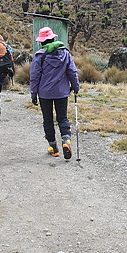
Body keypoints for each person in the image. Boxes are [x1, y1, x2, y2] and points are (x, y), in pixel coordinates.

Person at [29, 26, 79, 158]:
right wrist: (75, 87)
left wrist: (33, 93)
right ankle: (66, 140)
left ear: (41, 41)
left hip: (44, 94)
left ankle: (54, 148)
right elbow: (72, 72)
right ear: (53, 38)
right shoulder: (65, 54)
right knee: (62, 118)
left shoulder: (39, 56)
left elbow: (34, 76)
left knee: (48, 119)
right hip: (62, 93)